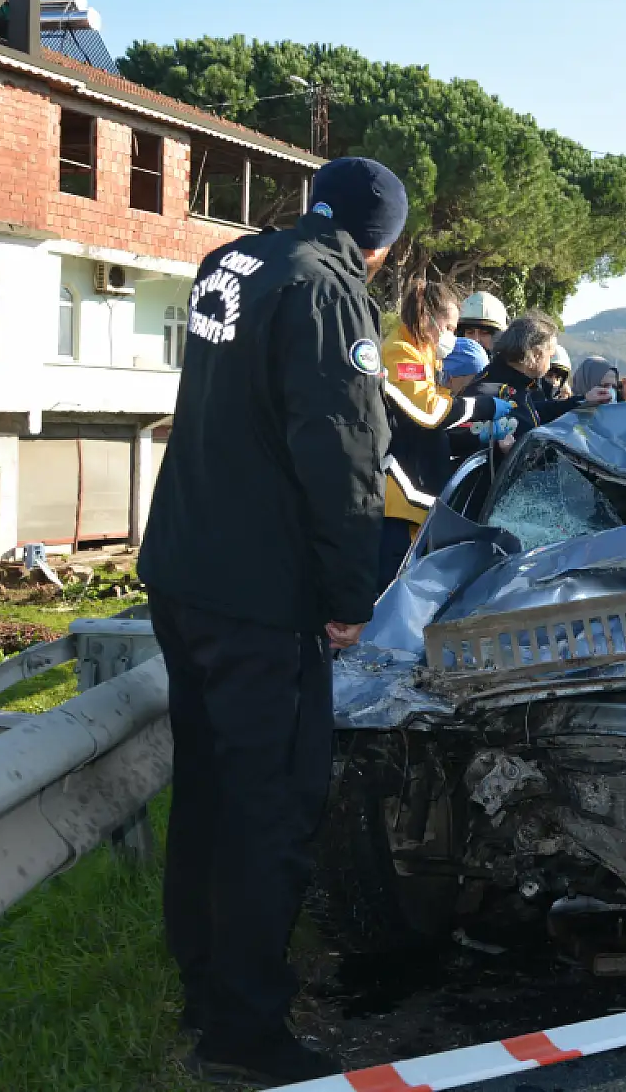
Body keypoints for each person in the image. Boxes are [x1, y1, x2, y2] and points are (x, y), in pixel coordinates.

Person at [136, 156, 407, 1084]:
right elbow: (340, 454)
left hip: (183, 570)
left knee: (208, 791)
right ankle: (244, 1035)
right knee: (269, 810)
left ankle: (206, 989)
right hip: (258, 597)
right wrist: (346, 599)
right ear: (380, 246)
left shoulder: (235, 261)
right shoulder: (330, 292)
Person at [379, 278, 517, 591]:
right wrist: (483, 407)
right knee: (389, 591)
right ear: (427, 318)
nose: (453, 337)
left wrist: (481, 433)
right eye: (452, 328)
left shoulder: (425, 355)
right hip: (400, 496)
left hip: (419, 495)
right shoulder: (401, 353)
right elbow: (430, 412)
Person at [478, 313, 613, 423]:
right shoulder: (493, 391)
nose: (550, 364)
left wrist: (584, 400)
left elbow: (537, 410)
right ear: (536, 355)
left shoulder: (516, 384)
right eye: (550, 355)